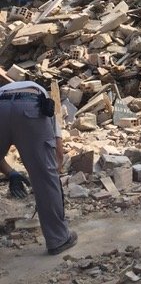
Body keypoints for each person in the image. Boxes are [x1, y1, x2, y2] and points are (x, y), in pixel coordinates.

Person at [0, 80, 77, 255]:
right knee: (45, 176)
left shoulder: (4, 91)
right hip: (30, 105)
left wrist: (11, 173)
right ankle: (58, 239)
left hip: (0, 107)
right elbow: (58, 150)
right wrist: (50, 183)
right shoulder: (44, 97)